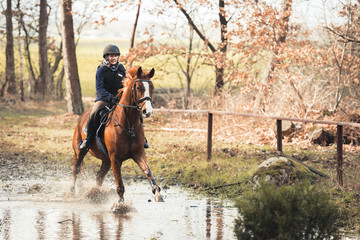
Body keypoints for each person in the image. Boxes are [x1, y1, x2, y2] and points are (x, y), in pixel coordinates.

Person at [79, 44, 149, 150]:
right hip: (104, 99)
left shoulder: (121, 68)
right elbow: (100, 89)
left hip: (119, 98)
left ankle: (142, 138)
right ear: (106, 57)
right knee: (94, 113)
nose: (114, 58)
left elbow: (126, 83)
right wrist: (111, 97)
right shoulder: (101, 70)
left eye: (115, 56)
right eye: (111, 56)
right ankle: (87, 139)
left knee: (137, 111)